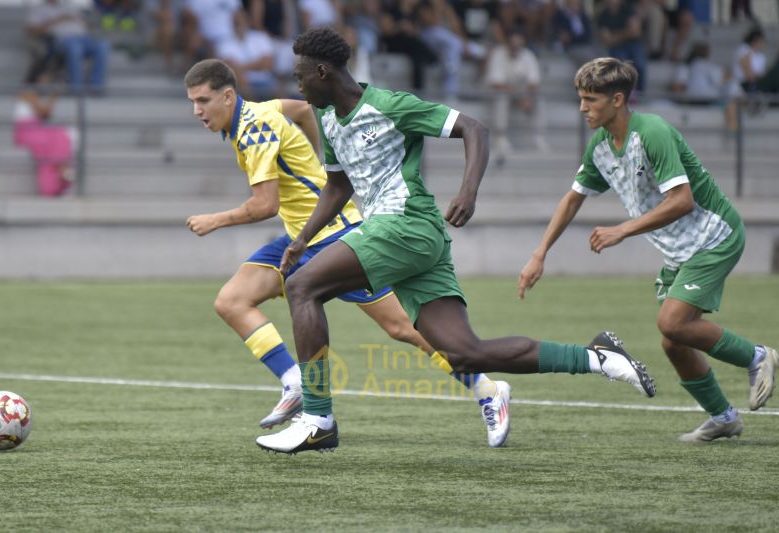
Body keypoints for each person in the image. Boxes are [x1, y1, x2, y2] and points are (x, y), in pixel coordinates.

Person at [255, 28, 656, 455]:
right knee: (465, 354)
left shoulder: (390, 106)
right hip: (407, 239)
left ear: (322, 71)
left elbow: (474, 128)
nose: (297, 86)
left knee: (302, 287)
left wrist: (468, 191)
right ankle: (599, 357)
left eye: (300, 76)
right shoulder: (327, 115)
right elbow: (337, 186)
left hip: (406, 224)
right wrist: (302, 240)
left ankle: (318, 419)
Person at [183, 58, 511, 447]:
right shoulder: (256, 111)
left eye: (203, 101)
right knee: (232, 301)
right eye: (192, 102)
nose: (196, 111)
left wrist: (214, 220)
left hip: (335, 233)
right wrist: (320, 161)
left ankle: (487, 390)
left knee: (402, 327)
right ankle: (296, 384)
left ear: (227, 95)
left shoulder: (253, 128)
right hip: (298, 239)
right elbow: (302, 108)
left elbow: (264, 205)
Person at [518, 57, 778, 443]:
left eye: (591, 99)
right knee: (674, 340)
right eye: (581, 98)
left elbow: (683, 200)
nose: (582, 108)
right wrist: (540, 253)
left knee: (672, 323)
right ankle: (724, 417)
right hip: (679, 249)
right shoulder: (601, 147)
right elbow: (573, 199)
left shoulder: (652, 132)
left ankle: (758, 357)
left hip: (713, 235)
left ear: (618, 99)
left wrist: (623, 230)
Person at [484, 29, 546, 161]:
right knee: (500, 97)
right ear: (507, 43)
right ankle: (500, 137)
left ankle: (537, 135)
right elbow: (496, 83)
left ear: (522, 43)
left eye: (518, 44)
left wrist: (526, 96)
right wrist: (520, 96)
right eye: (512, 44)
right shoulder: (498, 53)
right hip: (501, 92)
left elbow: (534, 82)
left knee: (538, 99)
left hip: (520, 92)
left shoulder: (528, 55)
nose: (515, 47)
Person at [13, 68, 75, 197]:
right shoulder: (27, 93)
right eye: (44, 79)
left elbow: (46, 115)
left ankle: (64, 175)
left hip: (36, 128)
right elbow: (43, 112)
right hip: (26, 132)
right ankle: (62, 176)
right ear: (36, 79)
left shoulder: (36, 95)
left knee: (61, 134)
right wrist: (55, 94)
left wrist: (55, 95)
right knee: (56, 136)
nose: (46, 82)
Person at [25, 0, 111, 93]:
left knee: (104, 45)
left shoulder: (70, 6)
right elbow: (31, 30)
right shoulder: (38, 9)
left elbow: (84, 24)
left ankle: (96, 86)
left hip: (84, 38)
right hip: (62, 39)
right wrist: (58, 19)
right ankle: (76, 88)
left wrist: (82, 25)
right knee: (75, 48)